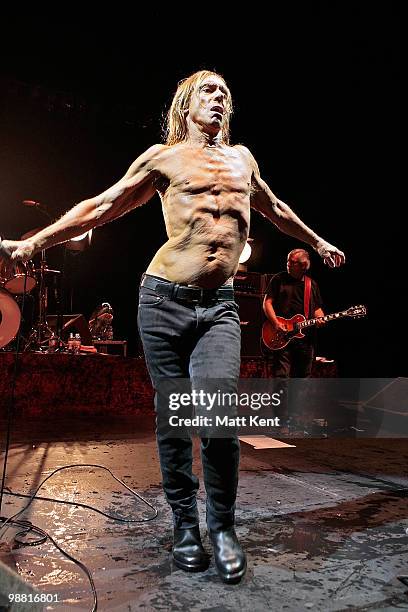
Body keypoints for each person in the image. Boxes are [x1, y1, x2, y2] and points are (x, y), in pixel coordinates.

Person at [0, 70, 345, 583]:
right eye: (209, 90)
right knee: (175, 421)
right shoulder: (164, 157)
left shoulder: (242, 159)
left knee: (219, 420)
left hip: (220, 308)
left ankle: (222, 527)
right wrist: (37, 242)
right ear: (187, 104)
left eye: (226, 92)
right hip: (162, 302)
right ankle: (186, 525)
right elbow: (101, 205)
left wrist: (317, 242)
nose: (220, 97)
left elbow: (276, 208)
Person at [263, 248, 325, 378]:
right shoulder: (279, 279)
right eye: (287, 261)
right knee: (281, 378)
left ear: (303, 266)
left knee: (302, 378)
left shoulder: (311, 284)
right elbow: (267, 303)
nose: (288, 264)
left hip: (305, 339)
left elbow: (317, 309)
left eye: (292, 262)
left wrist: (320, 318)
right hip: (282, 334)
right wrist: (275, 323)